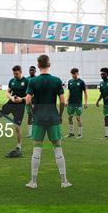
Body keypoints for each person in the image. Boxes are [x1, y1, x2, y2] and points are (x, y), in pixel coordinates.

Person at [25, 54, 71, 189]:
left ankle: (33, 182)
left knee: (37, 148)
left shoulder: (32, 81)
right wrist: (60, 114)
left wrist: (31, 112)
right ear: (49, 65)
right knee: (57, 148)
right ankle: (64, 181)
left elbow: (27, 100)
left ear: (38, 66)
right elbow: (62, 101)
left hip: (38, 118)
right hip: (53, 117)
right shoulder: (57, 81)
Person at [0, 65, 29, 158]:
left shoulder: (27, 82)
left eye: (16, 73)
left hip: (20, 107)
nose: (15, 75)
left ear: (21, 71)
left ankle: (18, 147)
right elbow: (7, 92)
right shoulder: (12, 81)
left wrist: (21, 99)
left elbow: (30, 95)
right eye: (14, 73)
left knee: (17, 126)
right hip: (11, 103)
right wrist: (11, 97)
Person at [66, 68, 88, 138]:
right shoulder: (70, 82)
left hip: (78, 103)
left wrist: (86, 102)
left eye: (74, 74)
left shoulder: (81, 82)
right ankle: (71, 133)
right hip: (71, 103)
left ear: (77, 73)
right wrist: (66, 100)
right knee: (70, 117)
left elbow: (85, 93)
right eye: (72, 74)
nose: (73, 75)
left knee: (78, 118)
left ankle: (80, 134)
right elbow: (69, 91)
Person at [25, 66, 37, 138]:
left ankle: (36, 132)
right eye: (30, 70)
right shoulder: (26, 79)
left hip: (36, 101)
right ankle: (30, 132)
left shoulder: (37, 79)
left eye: (33, 70)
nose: (31, 71)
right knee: (30, 115)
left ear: (35, 71)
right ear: (29, 71)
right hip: (28, 100)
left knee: (36, 116)